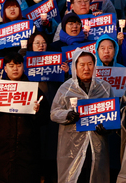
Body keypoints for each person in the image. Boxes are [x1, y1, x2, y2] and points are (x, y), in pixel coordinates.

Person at [0, 52, 49, 183]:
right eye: (11, 65)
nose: (15, 68)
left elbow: (45, 119)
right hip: (1, 152)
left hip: (27, 151)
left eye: (18, 65)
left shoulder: (34, 90)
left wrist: (38, 112)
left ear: (23, 67)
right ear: (5, 68)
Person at [50, 49, 115, 183]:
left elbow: (113, 114)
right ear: (75, 66)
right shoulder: (65, 88)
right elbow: (54, 113)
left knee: (96, 175)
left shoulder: (105, 87)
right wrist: (67, 114)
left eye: (90, 64)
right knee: (74, 177)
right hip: (71, 145)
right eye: (82, 65)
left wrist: (108, 128)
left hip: (96, 145)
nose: (86, 68)